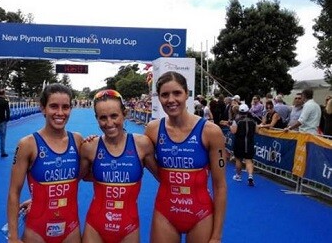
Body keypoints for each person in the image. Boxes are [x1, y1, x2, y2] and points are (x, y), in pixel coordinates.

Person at [144, 71, 227, 243]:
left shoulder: (211, 132)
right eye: (165, 95)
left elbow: (220, 186)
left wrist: (217, 236)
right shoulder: (152, 129)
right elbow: (137, 154)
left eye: (177, 93)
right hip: (165, 212)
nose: (171, 100)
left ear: (187, 94)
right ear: (159, 98)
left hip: (201, 214)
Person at [6, 84, 83, 243]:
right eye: (54, 106)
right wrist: (13, 236)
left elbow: (88, 175)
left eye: (66, 107)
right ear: (43, 108)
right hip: (37, 231)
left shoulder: (78, 140)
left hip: (71, 229)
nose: (60, 113)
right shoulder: (28, 144)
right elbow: (14, 192)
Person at [79, 89, 158, 243]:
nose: (109, 123)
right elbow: (74, 180)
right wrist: (39, 199)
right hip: (95, 226)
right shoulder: (90, 147)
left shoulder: (142, 144)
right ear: (97, 119)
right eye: (103, 118)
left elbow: (164, 177)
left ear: (125, 114)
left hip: (128, 227)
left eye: (114, 116)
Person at [230, 104, 257, 186]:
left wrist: (230, 126)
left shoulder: (237, 120)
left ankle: (238, 175)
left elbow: (233, 131)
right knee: (249, 160)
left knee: (238, 159)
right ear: (247, 111)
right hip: (249, 142)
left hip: (239, 142)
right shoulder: (253, 121)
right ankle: (250, 176)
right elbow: (257, 131)